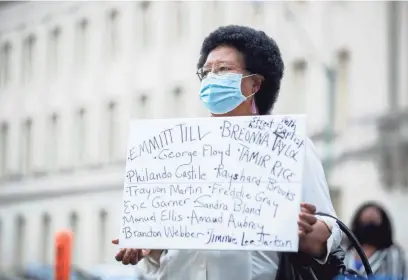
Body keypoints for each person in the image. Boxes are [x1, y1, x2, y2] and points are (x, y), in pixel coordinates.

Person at [111, 25, 342, 280]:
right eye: (206, 72)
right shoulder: (177, 150)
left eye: (223, 70)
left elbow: (330, 231)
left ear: (255, 83)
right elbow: (164, 248)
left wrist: (304, 230)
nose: (212, 78)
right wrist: (147, 247)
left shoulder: (286, 145)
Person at [344, 202, 406, 279]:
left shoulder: (393, 253)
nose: (369, 226)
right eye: (365, 220)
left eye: (373, 221)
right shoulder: (346, 253)